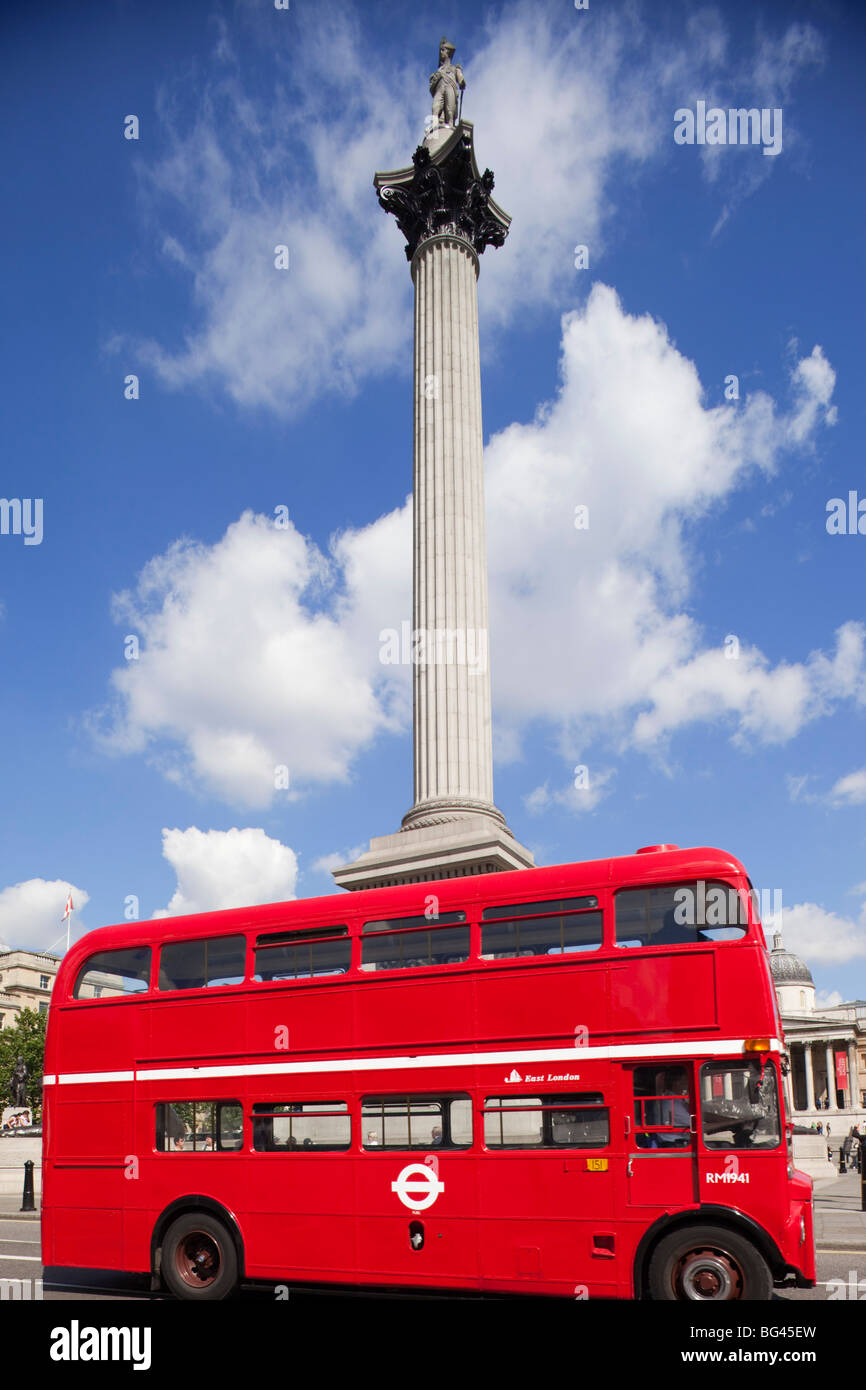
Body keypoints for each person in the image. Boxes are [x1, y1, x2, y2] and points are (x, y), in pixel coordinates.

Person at [429, 37, 465, 129]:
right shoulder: (438, 71)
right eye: (441, 50)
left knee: (450, 109)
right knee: (435, 107)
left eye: (443, 50)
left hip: (450, 87)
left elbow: (460, 77)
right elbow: (431, 88)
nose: (441, 52)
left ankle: (451, 126)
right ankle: (434, 125)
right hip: (439, 89)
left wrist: (461, 82)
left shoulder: (455, 68)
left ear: (448, 52)